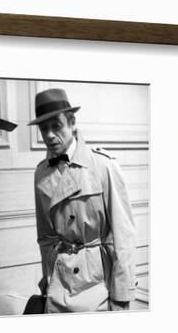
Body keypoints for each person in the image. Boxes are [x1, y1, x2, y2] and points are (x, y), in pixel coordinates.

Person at [29, 88, 137, 313]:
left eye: (56, 126)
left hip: (97, 280)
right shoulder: (41, 173)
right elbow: (45, 239)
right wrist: (47, 280)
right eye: (44, 128)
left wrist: (121, 294)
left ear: (72, 123)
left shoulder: (102, 165)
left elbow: (123, 236)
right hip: (60, 279)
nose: (49, 135)